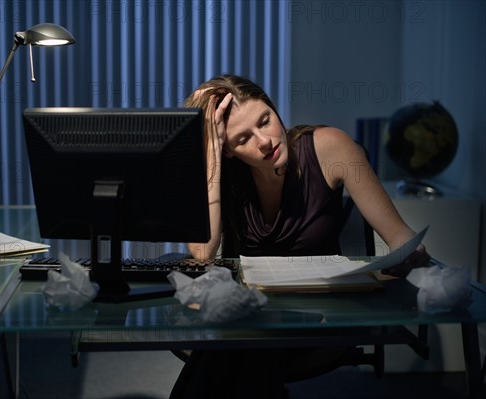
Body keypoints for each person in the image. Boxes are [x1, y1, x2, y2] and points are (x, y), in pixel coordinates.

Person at [169, 75, 431, 398]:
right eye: (242, 139)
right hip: (256, 317)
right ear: (228, 150)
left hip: (323, 317)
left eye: (265, 120)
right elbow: (203, 253)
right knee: (243, 339)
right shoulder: (229, 175)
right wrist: (211, 156)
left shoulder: (329, 146)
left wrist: (411, 252)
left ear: (273, 108)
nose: (264, 141)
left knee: (235, 346)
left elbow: (400, 235)